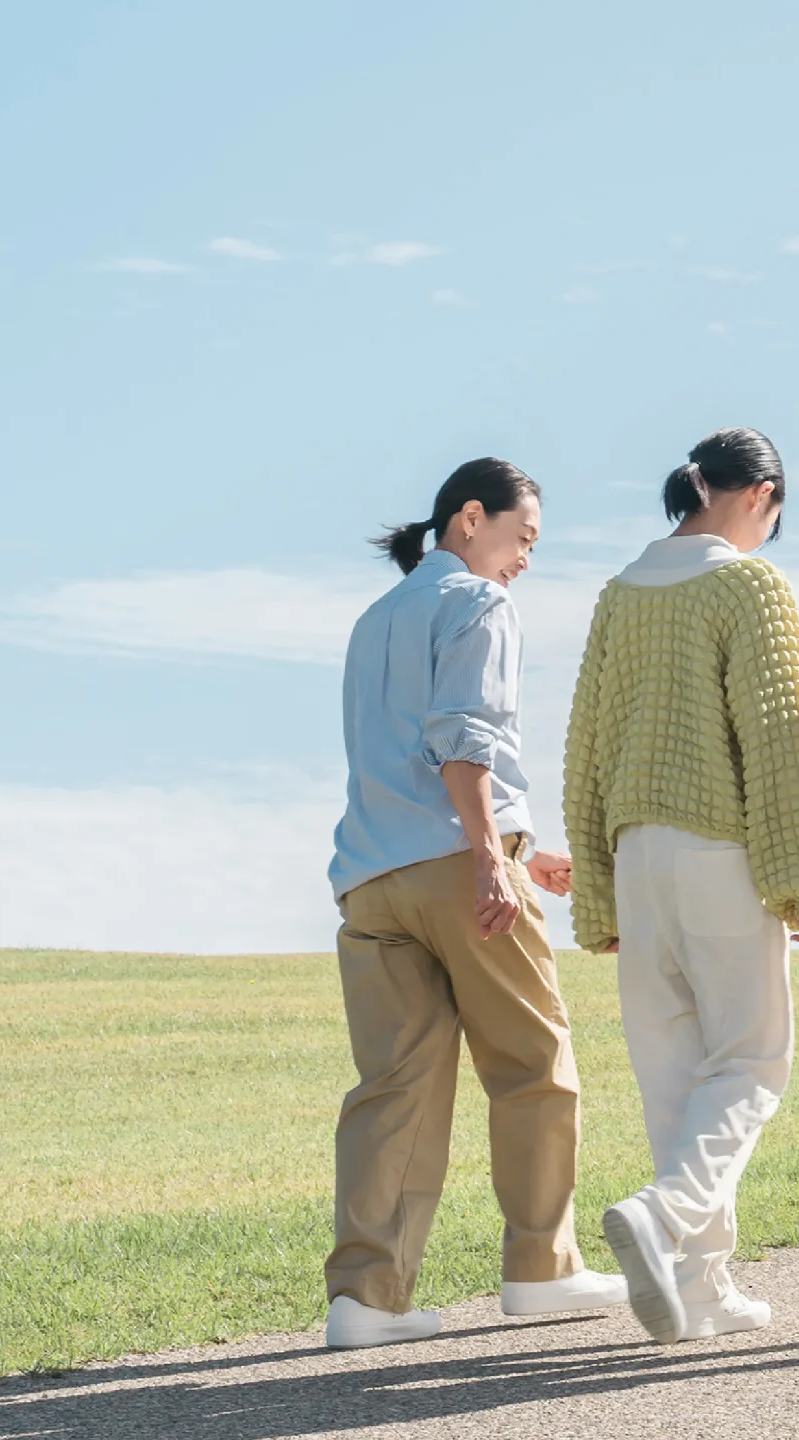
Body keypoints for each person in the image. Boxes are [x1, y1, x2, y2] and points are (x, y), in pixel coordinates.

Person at [322, 458, 627, 1349]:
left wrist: (524, 854)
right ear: (468, 518)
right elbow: (463, 739)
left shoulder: (376, 618)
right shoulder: (479, 605)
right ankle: (544, 1269)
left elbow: (407, 761)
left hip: (373, 879)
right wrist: (496, 857)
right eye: (521, 536)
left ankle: (366, 1299)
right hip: (462, 868)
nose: (525, 559)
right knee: (534, 1064)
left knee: (394, 1090)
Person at [564, 429, 799, 1344]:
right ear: (761, 494)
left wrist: (598, 891)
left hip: (635, 854)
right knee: (753, 1061)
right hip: (719, 852)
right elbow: (782, 737)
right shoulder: (748, 583)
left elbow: (587, 751)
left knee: (673, 1077)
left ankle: (700, 1287)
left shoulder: (617, 594)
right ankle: (667, 1212)